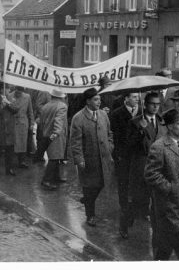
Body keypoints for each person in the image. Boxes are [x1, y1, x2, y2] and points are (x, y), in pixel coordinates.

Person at [144, 108, 179, 260]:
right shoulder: (159, 146)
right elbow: (151, 174)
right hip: (168, 204)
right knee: (177, 239)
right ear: (169, 126)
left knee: (167, 244)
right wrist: (170, 187)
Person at [70, 87, 114, 227]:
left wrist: (110, 147)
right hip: (88, 161)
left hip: (104, 159)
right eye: (96, 99)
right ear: (87, 101)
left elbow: (109, 134)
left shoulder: (103, 115)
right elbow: (75, 142)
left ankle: (87, 200)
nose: (99, 102)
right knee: (89, 187)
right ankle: (90, 215)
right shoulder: (78, 118)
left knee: (101, 184)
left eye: (99, 99)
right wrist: (80, 160)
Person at [127, 92, 167, 228]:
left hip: (157, 165)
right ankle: (125, 223)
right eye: (152, 104)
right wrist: (140, 131)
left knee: (156, 195)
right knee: (137, 197)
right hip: (141, 164)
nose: (155, 107)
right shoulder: (135, 122)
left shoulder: (162, 121)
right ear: (145, 105)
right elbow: (129, 145)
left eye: (158, 104)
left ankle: (151, 217)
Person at [109, 93, 141, 238]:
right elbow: (115, 135)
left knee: (137, 185)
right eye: (133, 97)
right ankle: (124, 208)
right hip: (123, 154)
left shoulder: (141, 113)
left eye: (137, 97)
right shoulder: (117, 114)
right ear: (126, 98)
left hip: (137, 155)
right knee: (123, 183)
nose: (136, 99)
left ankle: (134, 210)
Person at [39, 89, 68, 190]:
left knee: (55, 156)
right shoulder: (62, 106)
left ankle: (56, 177)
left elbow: (42, 121)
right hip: (56, 135)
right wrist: (56, 132)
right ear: (61, 97)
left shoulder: (45, 106)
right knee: (55, 158)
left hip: (46, 133)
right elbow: (58, 120)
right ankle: (46, 180)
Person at [0, 81, 17, 176]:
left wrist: (8, 103)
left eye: (9, 88)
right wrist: (2, 105)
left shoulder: (11, 99)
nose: (9, 90)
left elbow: (16, 110)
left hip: (9, 128)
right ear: (2, 89)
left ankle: (9, 169)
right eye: (7, 88)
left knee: (10, 150)